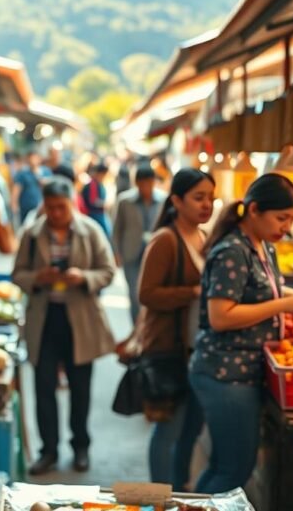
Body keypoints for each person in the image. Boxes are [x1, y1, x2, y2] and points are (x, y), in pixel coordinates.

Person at [190, 173, 293, 493]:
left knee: (227, 465)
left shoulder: (262, 246)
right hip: (226, 374)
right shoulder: (232, 251)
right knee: (232, 469)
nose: (287, 228)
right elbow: (220, 316)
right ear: (254, 210)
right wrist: (282, 305)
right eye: (281, 218)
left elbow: (261, 291)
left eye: (291, 220)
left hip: (244, 371)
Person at [12, 177, 116, 475]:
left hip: (80, 319)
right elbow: (17, 273)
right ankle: (49, 451)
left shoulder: (90, 231)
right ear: (44, 206)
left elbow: (108, 271)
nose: (56, 213)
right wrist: (37, 278)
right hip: (44, 319)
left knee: (80, 387)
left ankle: (80, 446)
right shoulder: (32, 235)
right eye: (51, 207)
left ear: (71, 203)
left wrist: (83, 277)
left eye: (61, 207)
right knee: (43, 386)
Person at [132, 168, 216, 490]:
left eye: (210, 197)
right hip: (168, 348)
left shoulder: (204, 237)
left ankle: (179, 491)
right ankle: (160, 495)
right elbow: (146, 294)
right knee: (169, 428)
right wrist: (192, 293)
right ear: (176, 201)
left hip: (194, 348)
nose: (206, 204)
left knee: (190, 428)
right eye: (198, 198)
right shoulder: (166, 240)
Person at [112, 164, 166, 322]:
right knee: (134, 295)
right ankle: (136, 329)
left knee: (152, 294)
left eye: (148, 183)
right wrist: (116, 253)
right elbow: (117, 229)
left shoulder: (163, 199)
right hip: (131, 253)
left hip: (155, 254)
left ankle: (148, 329)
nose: (145, 187)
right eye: (141, 184)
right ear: (136, 183)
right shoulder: (125, 201)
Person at [12, 150, 50, 227]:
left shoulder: (46, 172)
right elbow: (16, 192)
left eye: (35, 158)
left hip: (43, 210)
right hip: (27, 210)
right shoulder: (22, 174)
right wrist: (14, 206)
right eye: (30, 158)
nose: (33, 160)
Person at [81, 162, 111, 237]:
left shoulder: (99, 184)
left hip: (100, 214)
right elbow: (92, 201)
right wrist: (103, 204)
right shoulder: (92, 184)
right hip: (94, 215)